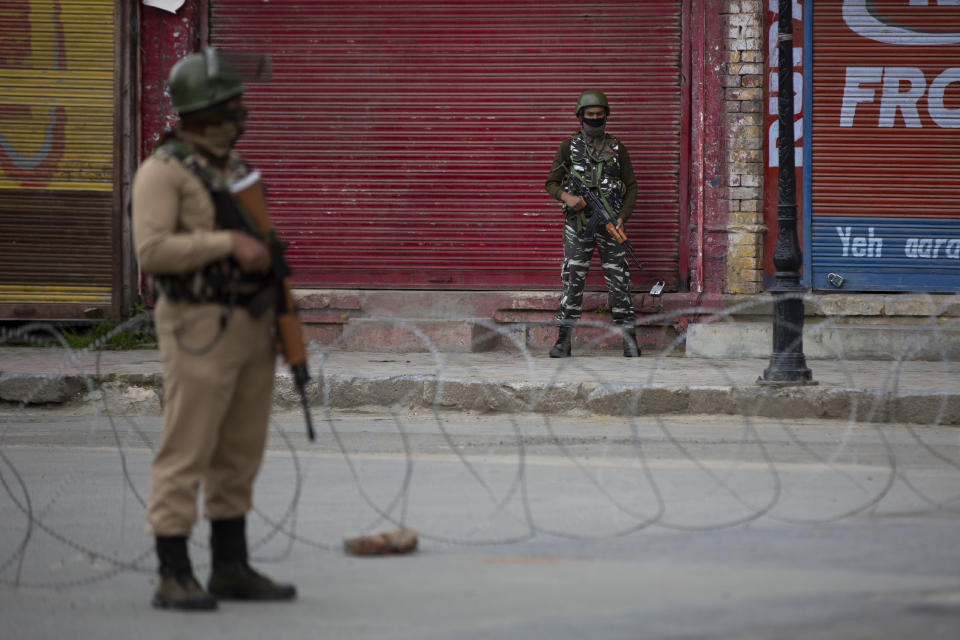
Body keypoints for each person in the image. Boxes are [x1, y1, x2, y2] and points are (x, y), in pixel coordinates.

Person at [132, 47, 296, 611]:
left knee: (239, 449)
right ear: (207, 110)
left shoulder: (234, 170)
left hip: (250, 324)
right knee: (188, 445)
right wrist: (227, 243)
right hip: (197, 325)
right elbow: (152, 250)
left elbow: (268, 251)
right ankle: (173, 570)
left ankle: (230, 565)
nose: (241, 114)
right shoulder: (163, 171)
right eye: (232, 105)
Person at [544, 90, 641, 358]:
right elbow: (550, 183)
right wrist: (567, 197)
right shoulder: (567, 147)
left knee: (619, 282)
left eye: (600, 117)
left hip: (611, 226)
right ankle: (563, 340)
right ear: (580, 117)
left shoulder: (618, 148)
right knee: (572, 281)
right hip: (578, 226)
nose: (595, 121)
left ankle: (629, 340)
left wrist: (622, 218)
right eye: (590, 117)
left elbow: (631, 186)